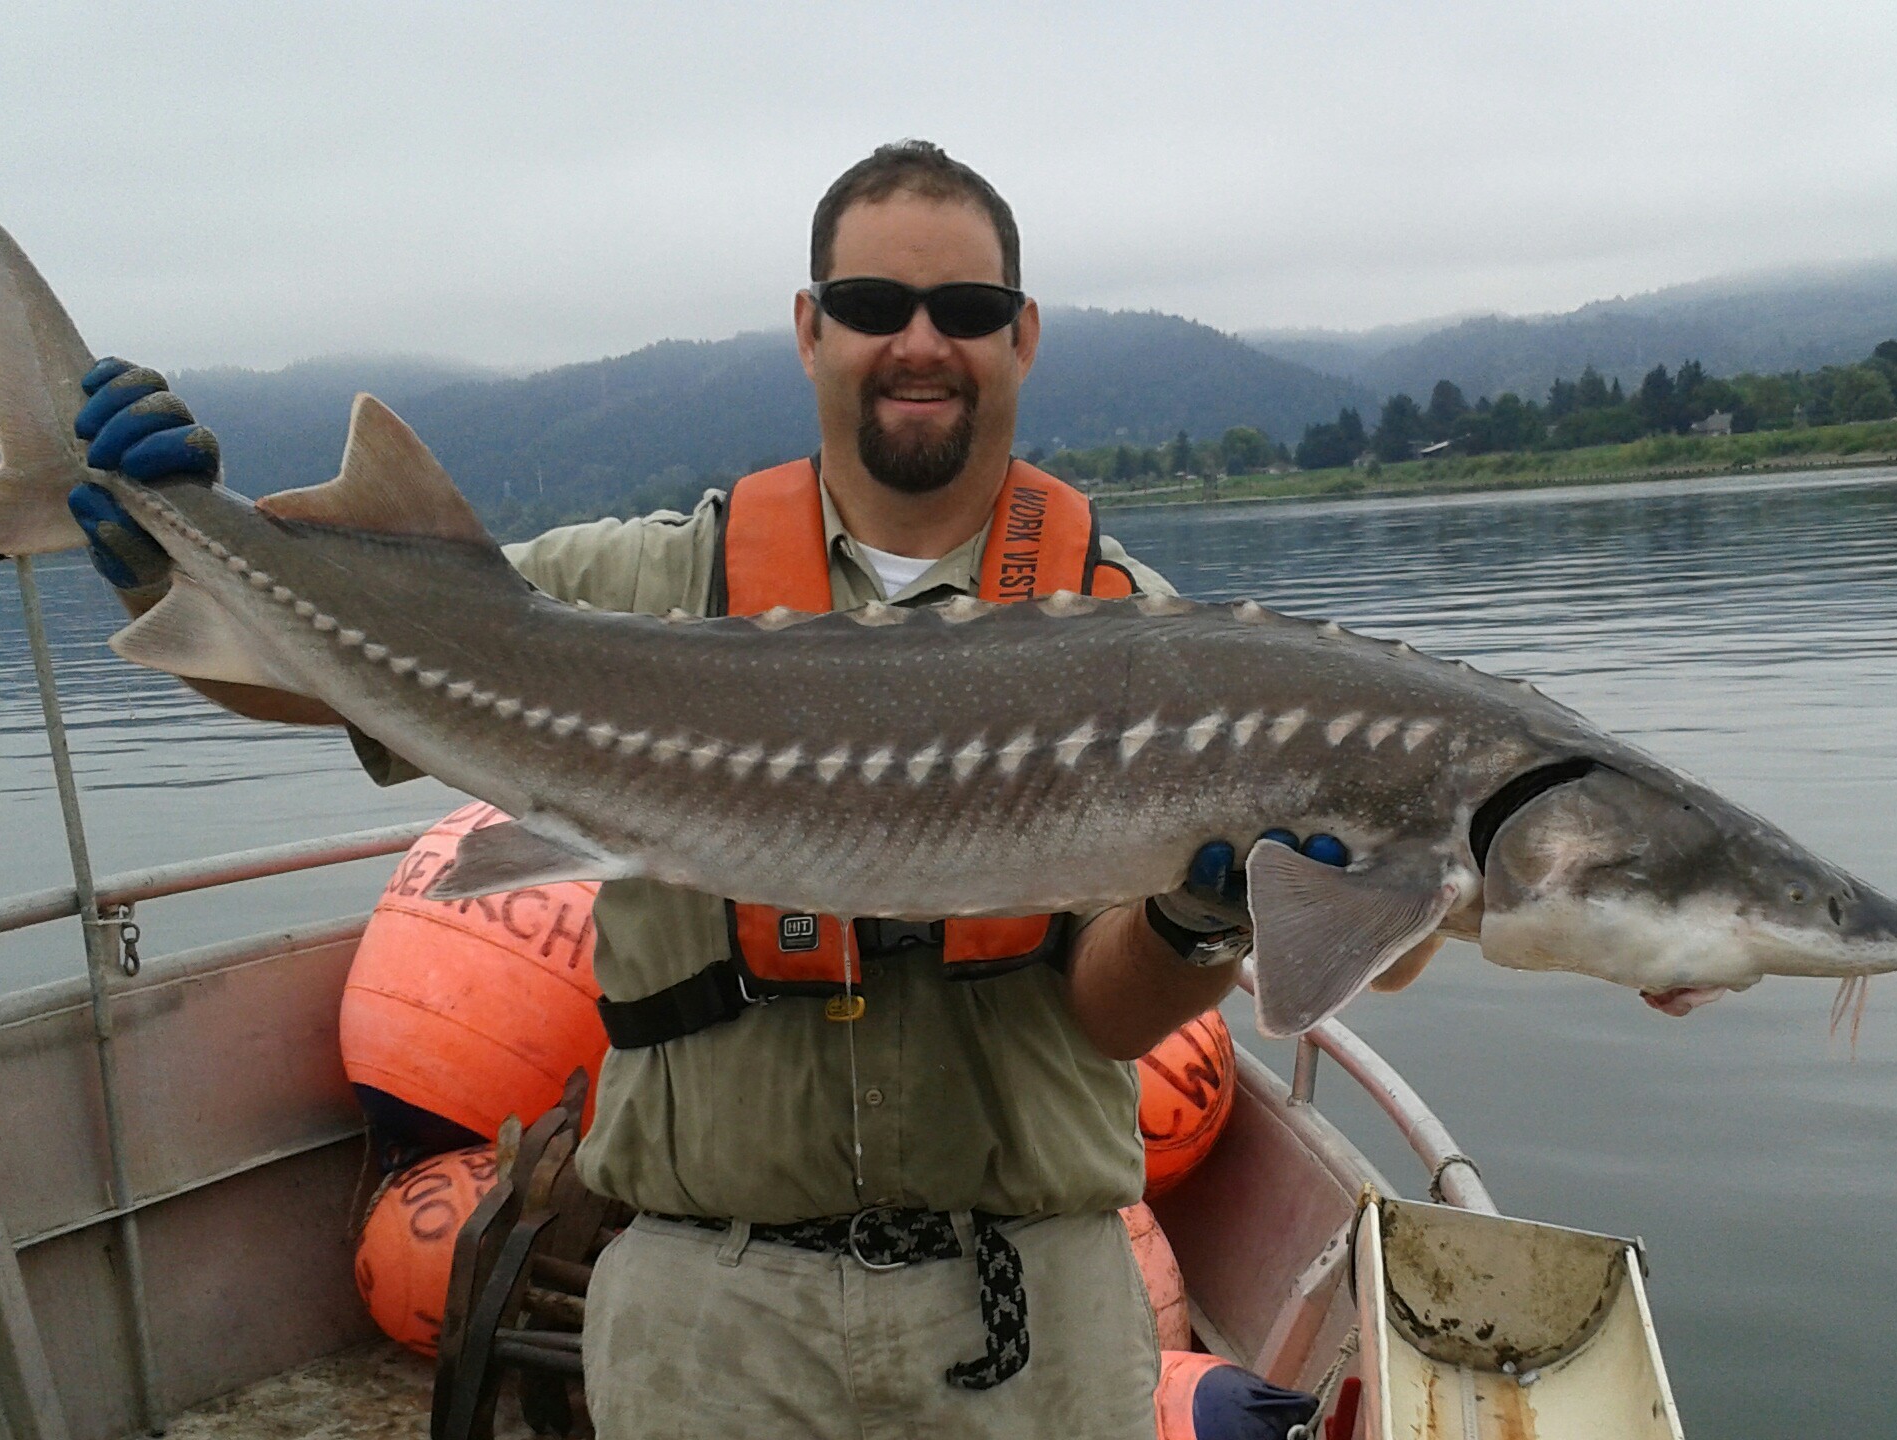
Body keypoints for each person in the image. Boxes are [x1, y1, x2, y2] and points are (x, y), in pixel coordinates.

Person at [66, 141, 1351, 1438]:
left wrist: (1204, 915)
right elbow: (329, 684)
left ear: (1018, 336)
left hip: (1030, 1315)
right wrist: (168, 568)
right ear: (811, 329)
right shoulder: (637, 586)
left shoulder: (1145, 648)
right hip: (708, 1317)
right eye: (871, 306)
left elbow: (1111, 1016)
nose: (920, 341)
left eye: (963, 311)